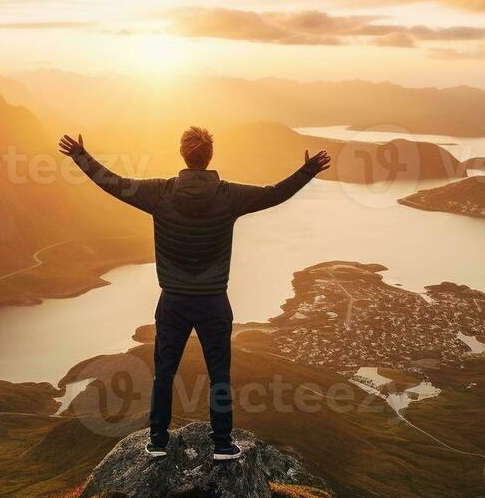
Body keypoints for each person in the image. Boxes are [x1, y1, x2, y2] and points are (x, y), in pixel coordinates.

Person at [60, 126, 331, 461]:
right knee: (219, 373)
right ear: (209, 157)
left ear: (183, 154)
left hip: (172, 300)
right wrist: (308, 171)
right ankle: (221, 444)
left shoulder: (160, 193)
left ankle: (158, 442)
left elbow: (114, 183)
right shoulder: (228, 195)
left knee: (164, 372)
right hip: (214, 301)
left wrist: (81, 157)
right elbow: (274, 193)